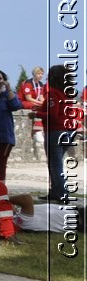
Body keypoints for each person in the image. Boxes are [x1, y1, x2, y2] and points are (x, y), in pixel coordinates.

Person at [43, 64, 80, 203]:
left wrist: (37, 114)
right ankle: (55, 192)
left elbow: (52, 115)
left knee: (55, 164)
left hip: (55, 130)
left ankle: (61, 193)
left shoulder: (53, 93)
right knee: (56, 163)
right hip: (69, 130)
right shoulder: (68, 92)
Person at [17, 66, 46, 144]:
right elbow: (28, 98)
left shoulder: (40, 84)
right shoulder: (28, 84)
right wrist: (40, 103)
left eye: (42, 74)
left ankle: (43, 128)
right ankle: (37, 130)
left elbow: (41, 97)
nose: (41, 75)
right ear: (34, 74)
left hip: (34, 102)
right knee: (38, 108)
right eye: (39, 74)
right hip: (23, 102)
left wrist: (45, 103)